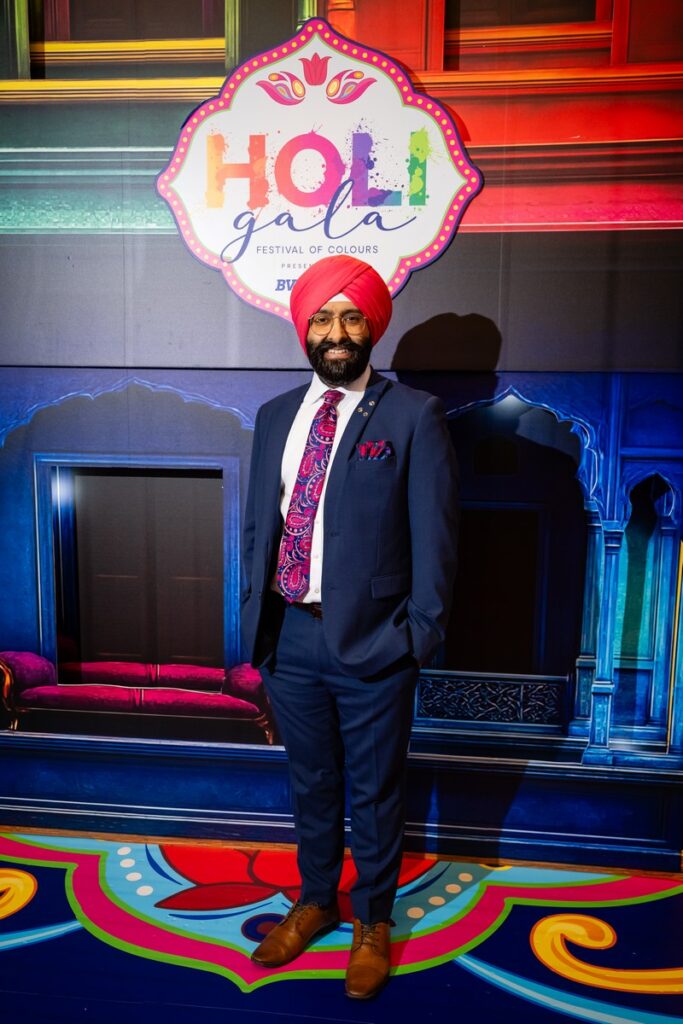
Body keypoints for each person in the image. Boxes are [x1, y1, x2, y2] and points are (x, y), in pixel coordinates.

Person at [241, 254, 459, 999]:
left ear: (372, 327)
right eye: (322, 318)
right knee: (311, 784)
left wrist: (416, 636)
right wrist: (255, 617)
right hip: (289, 638)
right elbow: (258, 526)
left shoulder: (412, 415)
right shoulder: (275, 416)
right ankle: (314, 901)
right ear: (304, 328)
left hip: (375, 641)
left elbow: (437, 538)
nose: (336, 333)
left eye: (351, 317)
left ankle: (372, 921)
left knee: (373, 792)